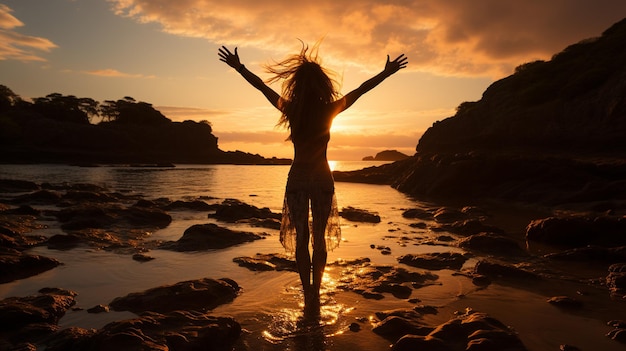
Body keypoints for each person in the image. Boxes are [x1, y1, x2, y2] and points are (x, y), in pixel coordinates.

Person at [218, 43, 407, 314]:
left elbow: (261, 86)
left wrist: (239, 68)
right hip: (321, 178)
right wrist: (386, 73)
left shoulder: (291, 110)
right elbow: (362, 89)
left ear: (297, 85)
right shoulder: (329, 110)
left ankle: (307, 293)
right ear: (322, 85)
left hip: (297, 179)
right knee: (318, 238)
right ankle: (315, 294)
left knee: (303, 237)